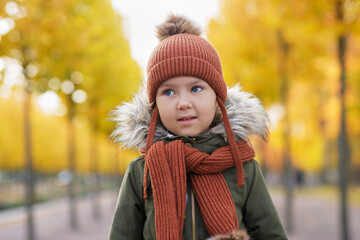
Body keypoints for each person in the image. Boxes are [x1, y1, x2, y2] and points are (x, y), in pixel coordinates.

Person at [108, 14, 287, 240]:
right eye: (168, 92)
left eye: (196, 89)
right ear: (155, 105)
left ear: (217, 98)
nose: (183, 103)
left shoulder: (244, 168)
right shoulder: (141, 171)